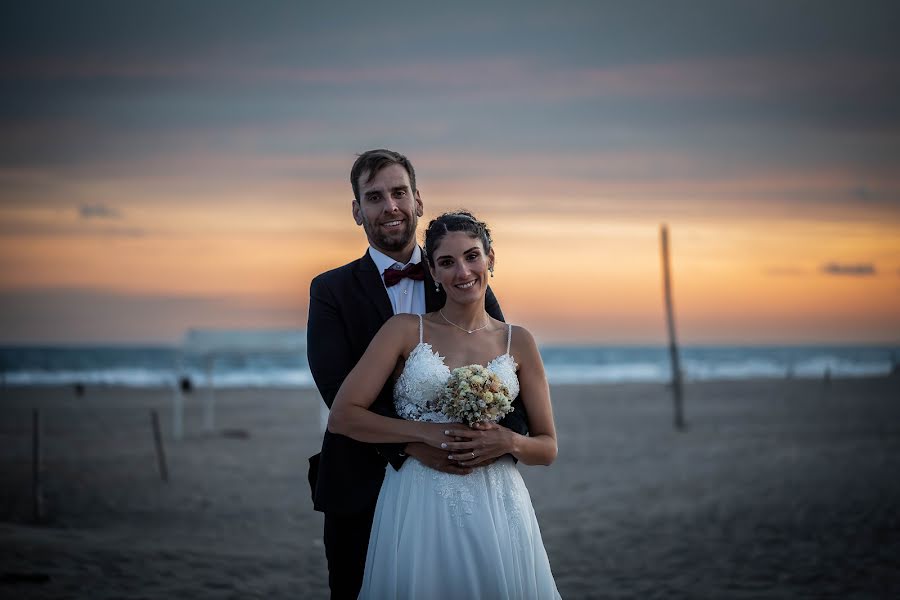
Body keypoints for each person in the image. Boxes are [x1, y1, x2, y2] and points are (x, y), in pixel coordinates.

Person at [306, 149, 530, 599]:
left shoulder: (460, 275)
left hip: (455, 489)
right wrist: (415, 444)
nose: (389, 206)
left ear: (418, 201)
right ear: (357, 211)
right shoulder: (330, 290)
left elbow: (504, 373)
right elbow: (338, 392)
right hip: (359, 484)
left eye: (399, 192)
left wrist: (492, 445)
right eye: (374, 197)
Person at [329, 211, 561, 599]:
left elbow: (548, 448)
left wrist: (507, 442)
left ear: (490, 259)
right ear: (432, 273)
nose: (462, 271)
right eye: (447, 262)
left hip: (498, 503)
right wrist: (425, 434)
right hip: (418, 498)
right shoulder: (404, 330)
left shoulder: (518, 342)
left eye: (472, 256)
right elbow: (343, 416)